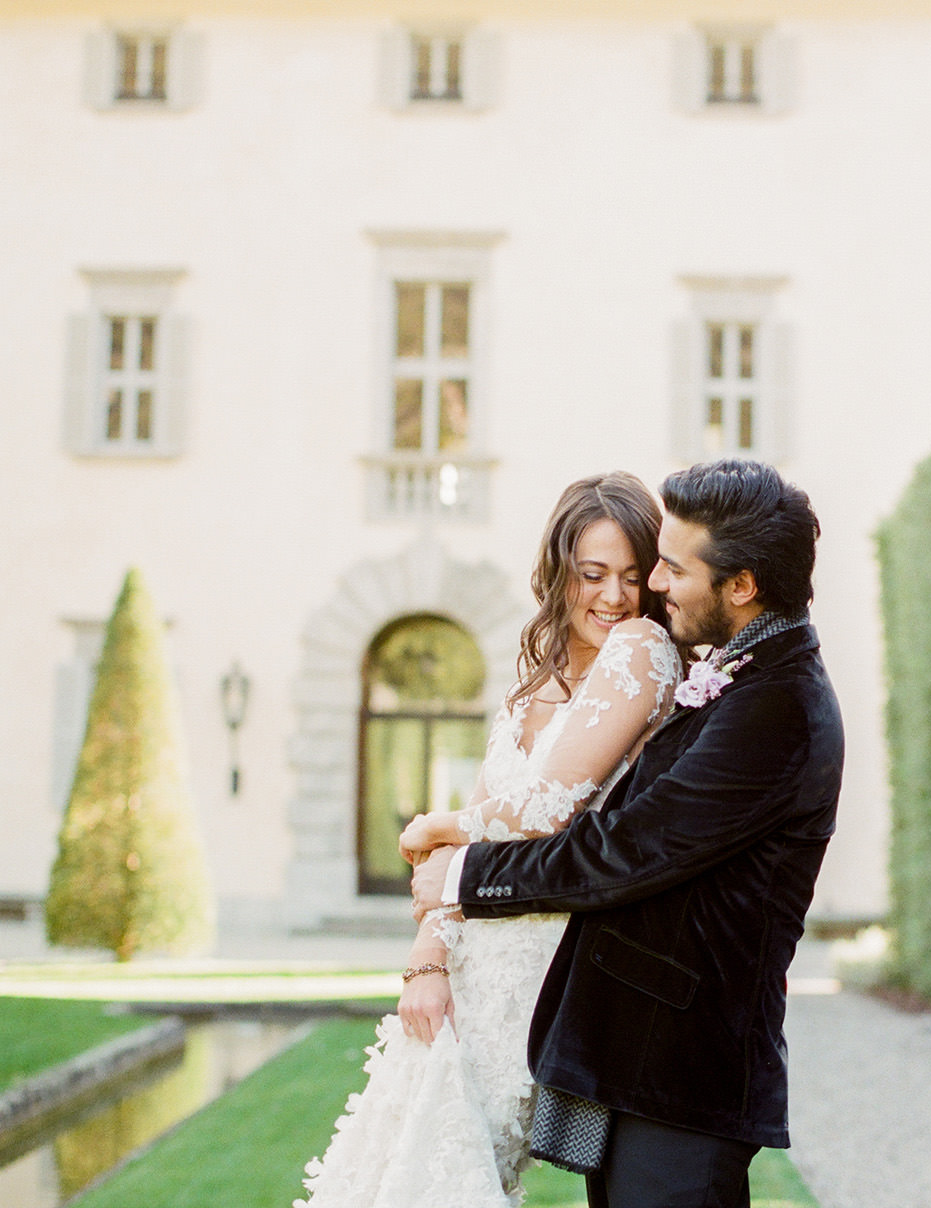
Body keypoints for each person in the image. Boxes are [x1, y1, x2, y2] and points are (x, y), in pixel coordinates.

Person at [413, 458, 845, 1208]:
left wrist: (462, 873)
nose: (654, 586)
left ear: (740, 586)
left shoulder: (780, 708)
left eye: (672, 568)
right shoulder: (742, 678)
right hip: (645, 1068)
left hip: (686, 1075)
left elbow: (627, 849)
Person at [295, 471, 683, 1208]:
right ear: (559, 573)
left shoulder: (642, 650)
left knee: (456, 1168)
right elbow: (467, 848)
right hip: (471, 964)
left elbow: (551, 804)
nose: (613, 596)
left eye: (633, 576)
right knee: (394, 1162)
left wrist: (441, 825)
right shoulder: (529, 688)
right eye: (592, 574)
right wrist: (427, 959)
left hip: (542, 973)